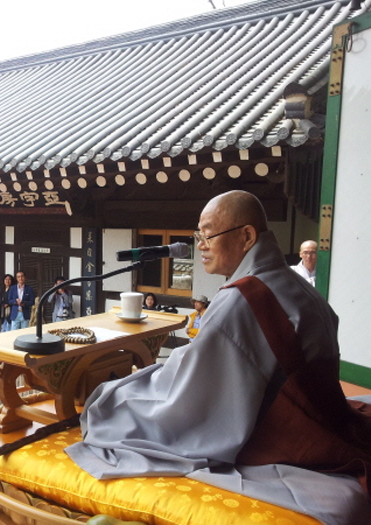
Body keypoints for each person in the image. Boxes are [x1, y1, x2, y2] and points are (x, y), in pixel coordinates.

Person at [66, 190, 371, 524]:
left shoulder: (243, 299)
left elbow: (191, 397)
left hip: (284, 439)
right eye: (198, 235)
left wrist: (117, 392)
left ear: (246, 236)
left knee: (112, 406)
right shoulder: (296, 285)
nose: (200, 244)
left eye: (207, 233)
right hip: (325, 419)